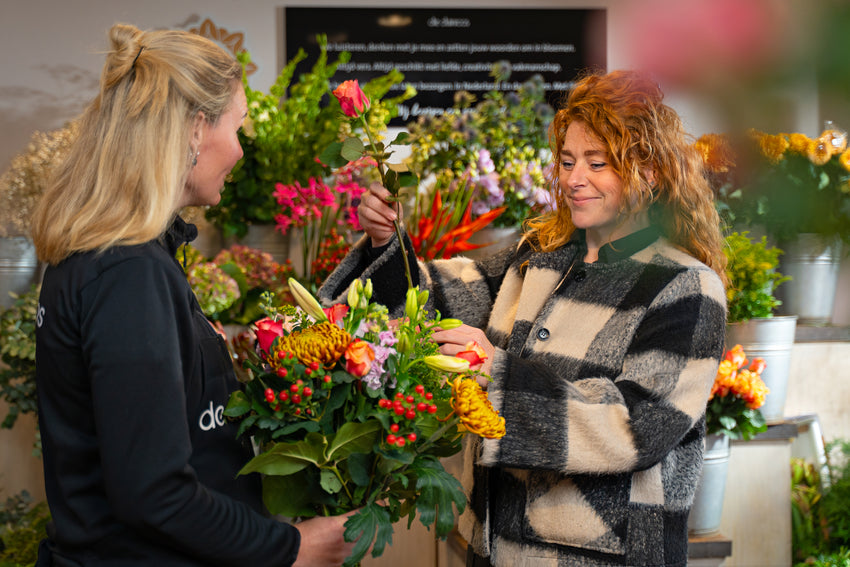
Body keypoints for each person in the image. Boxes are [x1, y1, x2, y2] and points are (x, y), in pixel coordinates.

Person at [318, 69, 728, 567]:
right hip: (494, 549)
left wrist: (498, 372)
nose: (573, 179)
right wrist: (386, 242)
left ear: (650, 172)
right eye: (567, 161)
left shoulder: (686, 286)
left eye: (597, 163)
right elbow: (428, 303)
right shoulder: (539, 256)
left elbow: (636, 427)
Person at [31, 23, 355, 567]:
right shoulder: (128, 271)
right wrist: (292, 548)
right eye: (239, 126)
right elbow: (154, 492)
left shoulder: (111, 256)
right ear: (195, 129)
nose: (242, 150)